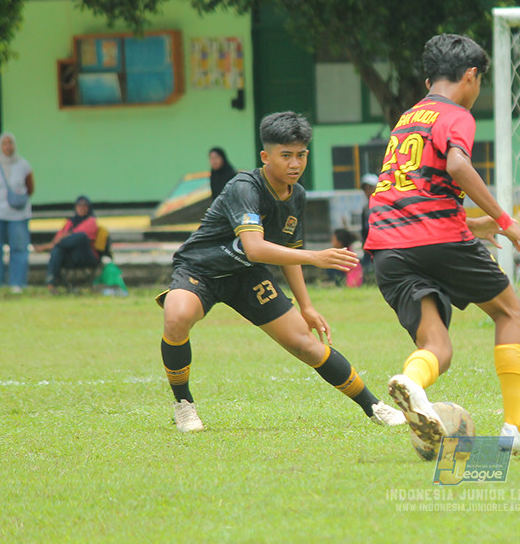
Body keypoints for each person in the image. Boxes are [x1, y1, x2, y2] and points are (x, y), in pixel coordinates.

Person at [157, 111, 405, 433]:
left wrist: (307, 306)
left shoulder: (296, 194)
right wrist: (316, 257)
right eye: (286, 155)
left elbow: (289, 252)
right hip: (200, 269)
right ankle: (184, 405)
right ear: (266, 156)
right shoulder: (244, 187)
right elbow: (255, 248)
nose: (295, 164)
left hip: (247, 276)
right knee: (177, 317)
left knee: (305, 343)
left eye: (301, 155)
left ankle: (374, 407)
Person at [365, 33, 520, 458]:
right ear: (471, 76)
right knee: (508, 310)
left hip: (387, 246)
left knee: (437, 349)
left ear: (430, 80)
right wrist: (507, 223)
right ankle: (514, 427)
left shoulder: (407, 119)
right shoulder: (456, 114)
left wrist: (472, 223)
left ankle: (412, 382)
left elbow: (413, 189)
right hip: (436, 239)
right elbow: (457, 165)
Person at [0, 133, 34, 294]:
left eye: (10, 143)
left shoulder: (23, 165)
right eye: (4, 143)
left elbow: (30, 188)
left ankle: (17, 282)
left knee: (19, 248)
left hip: (18, 215)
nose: (7, 146)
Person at [33, 196, 101, 293]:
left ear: (89, 207)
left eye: (85, 206)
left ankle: (46, 247)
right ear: (75, 207)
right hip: (70, 256)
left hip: (85, 256)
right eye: (79, 205)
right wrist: (64, 237)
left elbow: (77, 236)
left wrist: (63, 238)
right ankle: (51, 285)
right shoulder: (70, 222)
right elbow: (58, 238)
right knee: (57, 250)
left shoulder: (91, 221)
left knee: (80, 237)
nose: (82, 208)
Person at [358, 173, 378, 275]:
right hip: (368, 245)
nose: (368, 191)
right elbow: (364, 229)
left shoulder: (382, 206)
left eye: (370, 187)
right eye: (365, 188)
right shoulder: (366, 209)